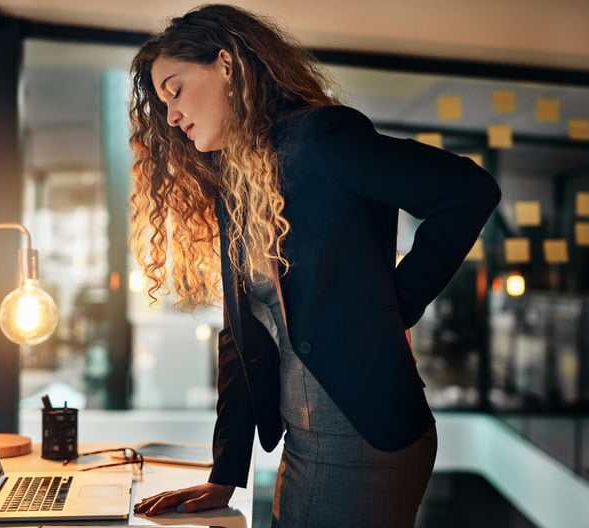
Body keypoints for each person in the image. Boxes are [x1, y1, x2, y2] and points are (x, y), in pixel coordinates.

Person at [128, 4, 501, 527]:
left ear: (226, 66)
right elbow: (243, 335)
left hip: (367, 436)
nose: (169, 115)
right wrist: (225, 473)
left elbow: (467, 191)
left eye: (175, 88)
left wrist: (394, 310)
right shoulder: (237, 184)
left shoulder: (323, 138)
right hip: (306, 442)